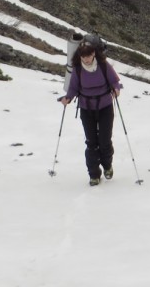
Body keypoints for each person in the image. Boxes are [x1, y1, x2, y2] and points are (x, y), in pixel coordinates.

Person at [59, 36, 122, 186]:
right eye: (83, 56)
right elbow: (73, 87)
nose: (86, 59)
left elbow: (114, 81)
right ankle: (94, 174)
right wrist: (68, 98)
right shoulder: (78, 69)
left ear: (94, 53)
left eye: (88, 55)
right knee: (91, 143)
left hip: (105, 106)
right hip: (87, 108)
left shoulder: (103, 65)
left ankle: (107, 166)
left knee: (105, 141)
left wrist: (117, 89)